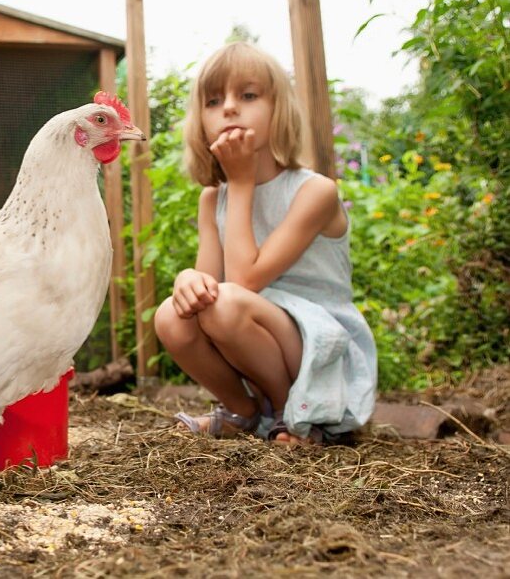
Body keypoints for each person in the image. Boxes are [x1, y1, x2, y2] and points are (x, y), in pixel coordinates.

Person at [153, 42, 376, 444]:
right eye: (214, 100)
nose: (230, 109)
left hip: (320, 351)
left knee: (225, 303)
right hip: (252, 328)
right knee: (173, 315)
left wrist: (240, 182)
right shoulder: (212, 199)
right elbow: (210, 285)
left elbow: (243, 281)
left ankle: (299, 416)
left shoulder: (315, 192)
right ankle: (245, 411)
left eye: (249, 95)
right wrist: (188, 277)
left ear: (279, 110)